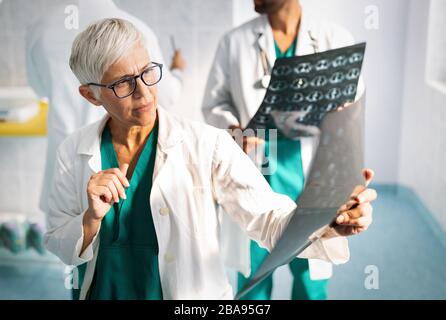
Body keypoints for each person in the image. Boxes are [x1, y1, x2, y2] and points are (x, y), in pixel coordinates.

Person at [44, 18, 376, 300]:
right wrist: (89, 220)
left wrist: (328, 219)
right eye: (122, 84)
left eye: (147, 72)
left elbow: (267, 218)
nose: (144, 93)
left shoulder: (208, 144)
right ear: (91, 94)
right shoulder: (73, 151)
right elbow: (58, 240)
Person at [202, 0, 365, 300]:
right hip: (256, 172)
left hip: (312, 175)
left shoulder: (334, 38)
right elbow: (214, 104)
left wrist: (342, 109)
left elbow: (354, 99)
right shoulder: (234, 43)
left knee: (312, 275)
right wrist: (232, 129)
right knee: (253, 277)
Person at [25, 0, 186, 215]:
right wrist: (178, 71)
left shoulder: (40, 29)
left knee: (67, 238)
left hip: (65, 167)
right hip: (117, 166)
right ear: (89, 95)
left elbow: (40, 90)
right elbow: (164, 95)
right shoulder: (136, 30)